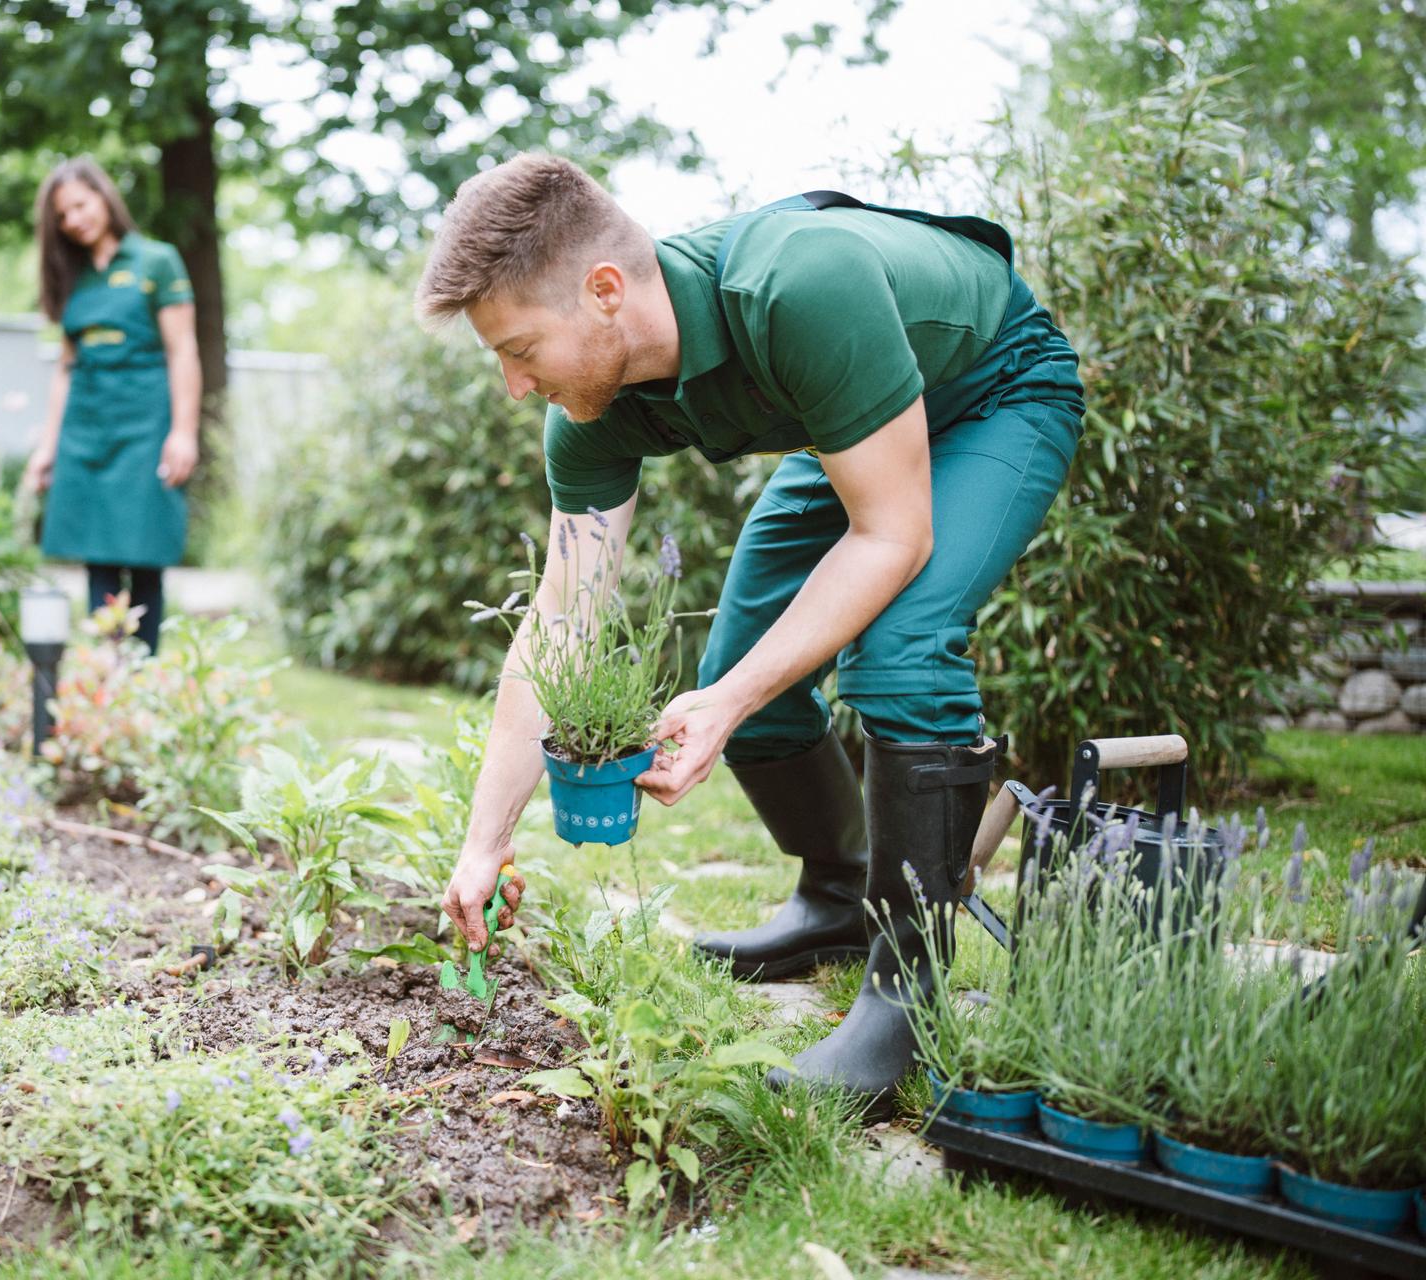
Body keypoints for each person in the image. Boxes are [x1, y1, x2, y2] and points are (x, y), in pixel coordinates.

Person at [416, 154, 1084, 1106]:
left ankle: (906, 995)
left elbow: (892, 537)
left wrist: (725, 703)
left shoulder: (798, 285)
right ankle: (836, 899)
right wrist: (485, 841)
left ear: (605, 291)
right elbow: (560, 617)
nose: (515, 388)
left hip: (992, 390)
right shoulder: (592, 417)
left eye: (520, 349)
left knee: (896, 651)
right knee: (747, 675)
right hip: (852, 420)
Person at [23, 156, 202, 651]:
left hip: (146, 425)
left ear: (104, 197)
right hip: (85, 429)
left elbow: (182, 350)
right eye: (63, 215)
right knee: (96, 557)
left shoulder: (157, 261)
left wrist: (183, 431)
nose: (74, 220)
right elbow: (65, 367)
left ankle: (142, 676)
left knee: (144, 555)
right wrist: (48, 446)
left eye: (79, 205)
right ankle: (110, 672)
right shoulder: (70, 275)